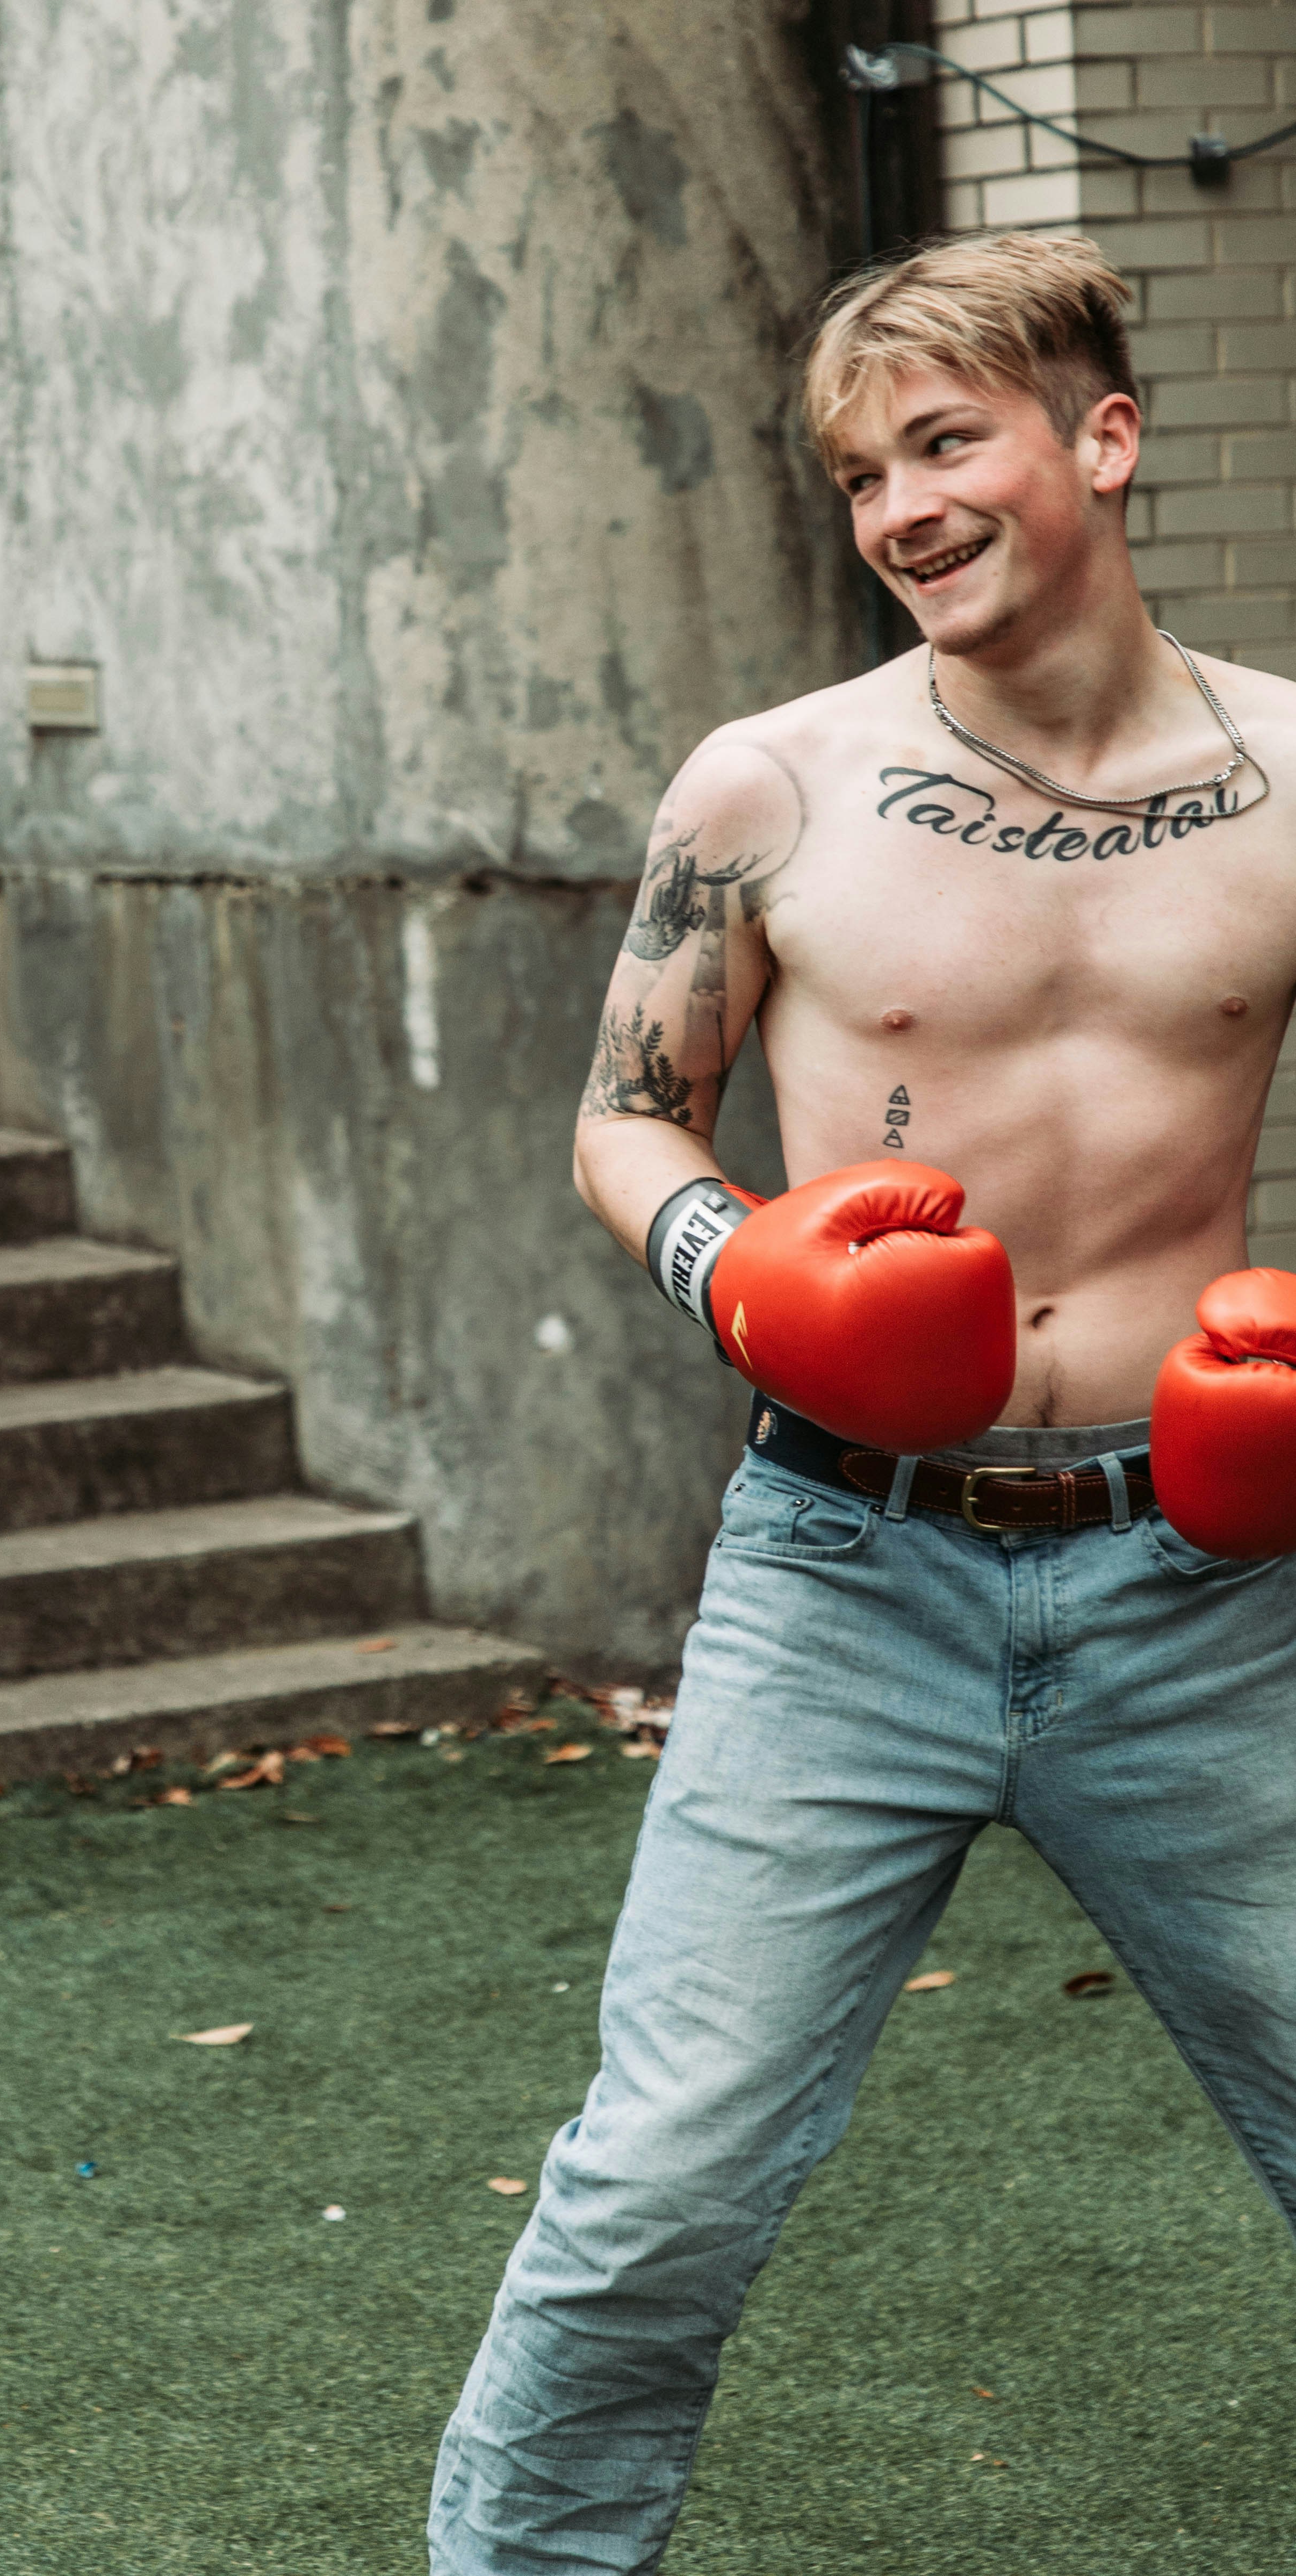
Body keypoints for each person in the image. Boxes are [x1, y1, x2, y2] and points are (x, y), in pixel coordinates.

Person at [429, 228, 1296, 2573]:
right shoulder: (769, 789)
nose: (899, 508)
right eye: (857, 476)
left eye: (944, 443)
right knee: (655, 2185)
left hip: (1202, 1578)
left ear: (1096, 440)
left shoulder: (1294, 776)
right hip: (842, 1569)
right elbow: (624, 1120)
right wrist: (744, 1271)